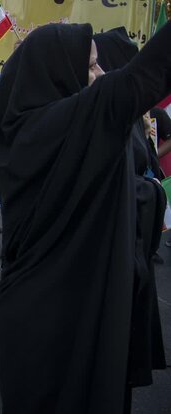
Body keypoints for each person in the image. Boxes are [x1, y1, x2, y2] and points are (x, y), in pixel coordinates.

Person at [0, 22, 170, 413]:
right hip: (58, 322)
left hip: (39, 312)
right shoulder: (62, 125)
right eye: (90, 66)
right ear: (57, 72)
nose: (101, 75)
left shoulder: (21, 127)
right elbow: (148, 73)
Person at [93, 25, 166, 396]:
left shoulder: (126, 115)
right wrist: (149, 190)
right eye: (91, 66)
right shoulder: (95, 115)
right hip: (106, 261)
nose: (99, 74)